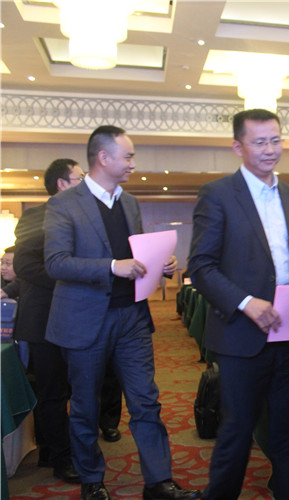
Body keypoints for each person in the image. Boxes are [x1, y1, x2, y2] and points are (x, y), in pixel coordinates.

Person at [44, 126, 199, 500]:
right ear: (103, 157)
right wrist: (113, 266)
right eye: (127, 156)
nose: (133, 163)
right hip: (85, 321)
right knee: (86, 406)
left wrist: (160, 264)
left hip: (132, 318)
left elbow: (137, 255)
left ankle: (158, 481)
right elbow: (56, 262)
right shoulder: (64, 204)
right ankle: (92, 481)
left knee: (146, 401)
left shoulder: (128, 203)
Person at [188, 109, 289, 500]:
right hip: (241, 337)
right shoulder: (218, 195)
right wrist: (246, 303)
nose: (270, 149)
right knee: (237, 431)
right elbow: (201, 266)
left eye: (275, 140)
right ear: (238, 146)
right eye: (259, 142)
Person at [13, 159, 122, 484]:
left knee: (82, 387)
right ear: (62, 184)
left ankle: (61, 448)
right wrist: (70, 276)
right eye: (79, 177)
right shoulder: (36, 216)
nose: (86, 182)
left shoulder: (87, 216)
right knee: (53, 392)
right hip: (44, 319)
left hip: (81, 317)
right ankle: (59, 456)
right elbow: (24, 265)